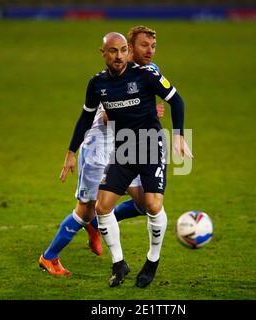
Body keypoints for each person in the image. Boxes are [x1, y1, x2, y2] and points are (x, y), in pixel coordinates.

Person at [68, 32, 192, 288]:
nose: (119, 55)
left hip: (150, 144)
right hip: (123, 147)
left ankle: (152, 260)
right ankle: (119, 263)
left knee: (152, 205)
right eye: (113, 51)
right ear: (103, 53)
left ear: (128, 51)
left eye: (123, 50)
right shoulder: (97, 84)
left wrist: (179, 135)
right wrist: (71, 152)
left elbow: (177, 101)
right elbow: (85, 118)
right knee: (102, 207)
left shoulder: (146, 74)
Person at [39, 26, 164, 276]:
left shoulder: (150, 73)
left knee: (146, 203)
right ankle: (49, 257)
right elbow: (108, 115)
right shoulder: (114, 74)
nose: (149, 51)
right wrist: (71, 151)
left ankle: (99, 223)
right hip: (99, 147)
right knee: (84, 211)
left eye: (152, 47)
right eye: (143, 46)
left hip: (127, 147)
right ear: (129, 48)